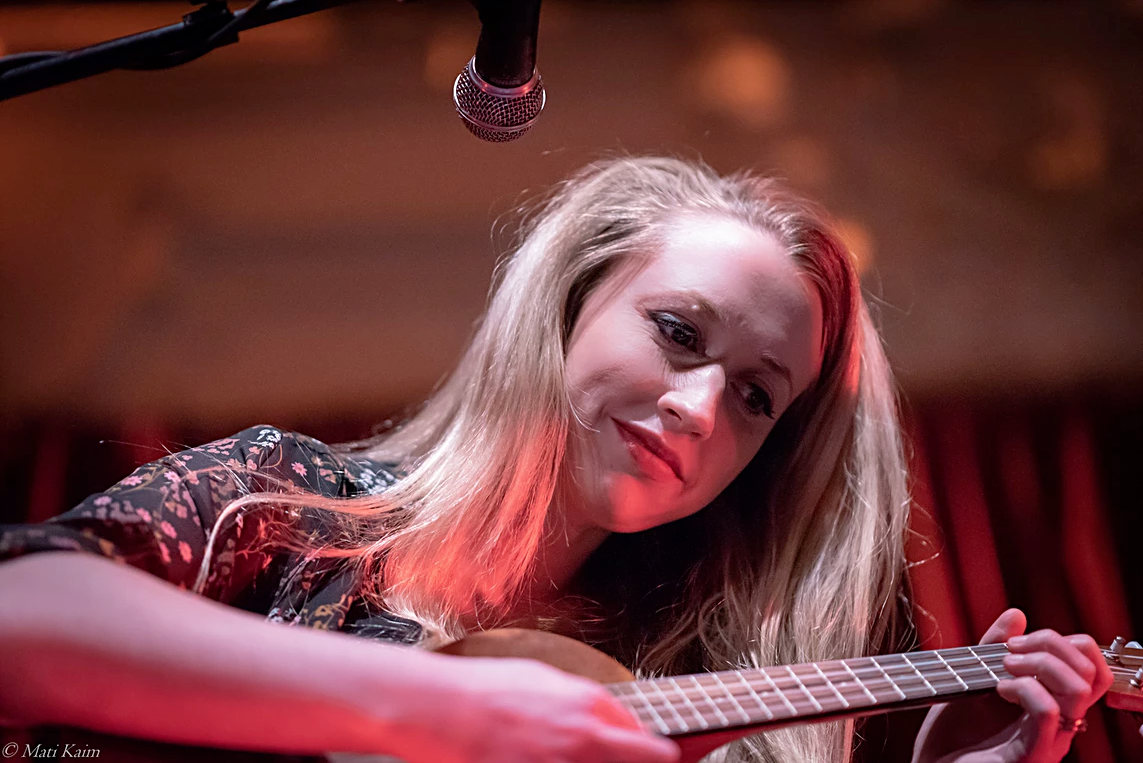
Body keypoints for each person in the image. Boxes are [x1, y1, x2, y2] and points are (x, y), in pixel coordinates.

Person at [0, 157, 1114, 763]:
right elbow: (23, 613)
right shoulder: (288, 505)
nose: (697, 408)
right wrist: (447, 707)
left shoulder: (660, 691)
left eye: (755, 396)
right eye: (677, 332)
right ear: (567, 309)